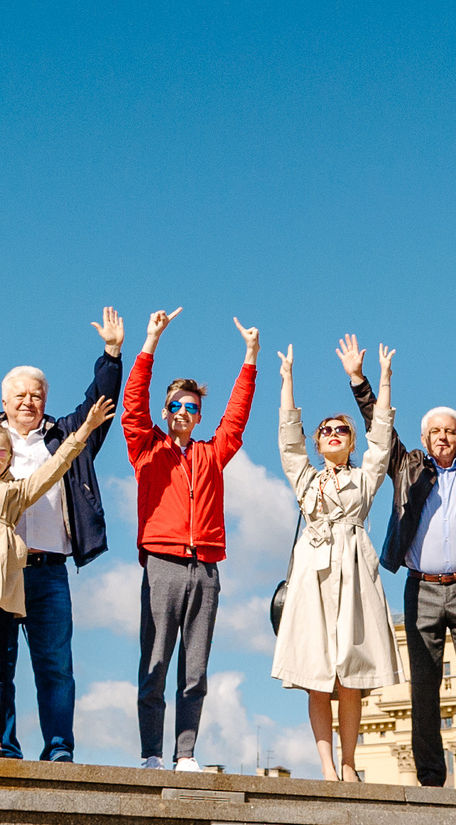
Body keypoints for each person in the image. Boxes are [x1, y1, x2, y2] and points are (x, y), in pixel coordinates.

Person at [0, 300, 127, 762]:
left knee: (55, 667)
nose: (28, 401)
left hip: (48, 570)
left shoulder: (64, 436)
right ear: (4, 401)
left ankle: (59, 748)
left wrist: (111, 355)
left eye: (36, 395)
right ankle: (1, 744)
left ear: (46, 398)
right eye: (19, 395)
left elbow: (96, 408)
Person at [343, 333, 456, 790]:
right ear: (425, 440)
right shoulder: (406, 465)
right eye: (435, 432)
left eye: (451, 431)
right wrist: (360, 382)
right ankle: (430, 776)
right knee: (423, 689)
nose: (443, 438)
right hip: (421, 588)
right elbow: (378, 429)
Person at [122, 308, 259, 772]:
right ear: (166, 411)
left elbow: (236, 420)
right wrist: (150, 342)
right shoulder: (146, 447)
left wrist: (250, 358)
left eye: (192, 407)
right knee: (156, 661)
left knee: (195, 669)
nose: (183, 413)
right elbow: (133, 404)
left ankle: (185, 753)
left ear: (200, 416)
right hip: (162, 562)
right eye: (176, 406)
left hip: (206, 568)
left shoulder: (211, 454)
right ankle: (152, 753)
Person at [272, 342, 402, 782]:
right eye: (325, 430)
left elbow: (382, 438)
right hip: (312, 575)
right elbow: (289, 439)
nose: (331, 434)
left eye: (340, 431)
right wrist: (287, 377)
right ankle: (327, 765)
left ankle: (349, 764)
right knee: (316, 674)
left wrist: (381, 378)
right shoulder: (306, 477)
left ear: (349, 442)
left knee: (350, 673)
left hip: (353, 571)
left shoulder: (364, 480)